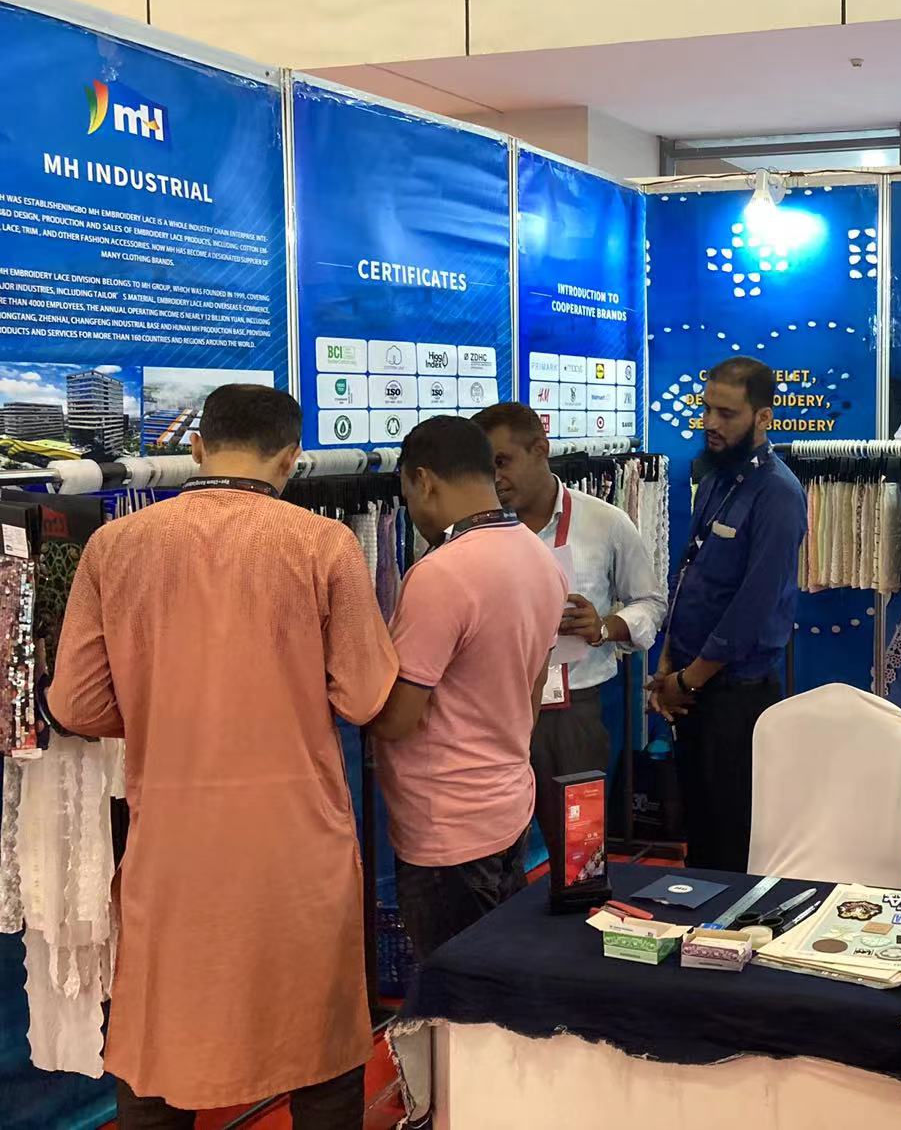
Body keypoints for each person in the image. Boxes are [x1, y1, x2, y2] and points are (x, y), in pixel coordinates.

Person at [49, 385, 398, 1128]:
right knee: (320, 1041)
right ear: (290, 458)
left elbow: (74, 705)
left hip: (173, 841)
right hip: (296, 841)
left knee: (158, 1038)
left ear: (199, 447)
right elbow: (366, 695)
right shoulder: (324, 543)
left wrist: (161, 716)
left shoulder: (114, 545)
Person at [371, 416, 567, 959]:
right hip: (507, 803)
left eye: (407, 493)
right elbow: (534, 687)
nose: (411, 509)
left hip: (447, 826)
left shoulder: (441, 574)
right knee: (497, 975)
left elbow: (398, 720)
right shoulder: (539, 557)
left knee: (454, 990)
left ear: (424, 480)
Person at [474, 403, 666, 861]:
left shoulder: (605, 522)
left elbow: (651, 602)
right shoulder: (472, 530)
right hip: (488, 710)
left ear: (540, 450)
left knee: (580, 853)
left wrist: (605, 627)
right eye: (485, 466)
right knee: (491, 852)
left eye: (502, 461)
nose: (494, 478)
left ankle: (581, 905)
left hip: (571, 712)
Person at [648, 356, 806, 871]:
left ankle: (730, 924)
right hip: (691, 686)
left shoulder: (778, 494)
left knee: (730, 839)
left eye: (727, 414)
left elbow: (751, 609)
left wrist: (686, 682)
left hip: (734, 696)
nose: (711, 424)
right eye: (707, 410)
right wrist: (667, 663)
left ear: (763, 417)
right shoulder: (717, 476)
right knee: (697, 832)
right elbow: (689, 574)